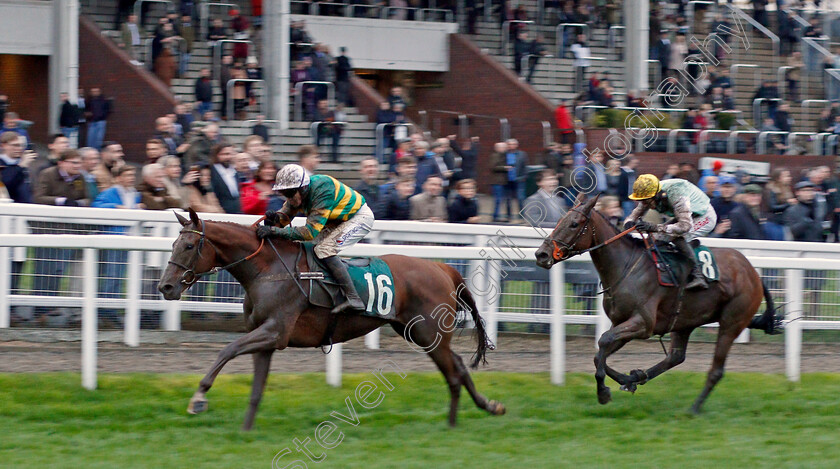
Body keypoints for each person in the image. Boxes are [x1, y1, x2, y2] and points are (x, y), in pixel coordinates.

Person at [257, 164, 375, 314]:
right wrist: (273, 220)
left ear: (303, 188)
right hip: (336, 220)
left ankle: (354, 298)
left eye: (290, 193)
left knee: (324, 249)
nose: (288, 198)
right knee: (308, 248)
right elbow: (284, 219)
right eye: (284, 193)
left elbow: (309, 232)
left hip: (358, 218)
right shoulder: (297, 194)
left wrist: (274, 231)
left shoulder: (322, 189)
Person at [624, 174, 717, 289]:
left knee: (677, 237)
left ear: (656, 195)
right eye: (641, 201)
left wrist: (654, 227)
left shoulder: (676, 193)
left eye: (646, 201)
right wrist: (628, 223)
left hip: (704, 216)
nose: (644, 204)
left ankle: (698, 275)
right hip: (686, 216)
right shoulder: (649, 196)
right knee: (657, 239)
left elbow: (684, 226)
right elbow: (633, 216)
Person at [0, 132, 35, 203]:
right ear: (3, 145)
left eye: (21, 146)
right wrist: (20, 166)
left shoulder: (23, 163)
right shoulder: (2, 163)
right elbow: (6, 183)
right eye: (15, 145)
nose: (19, 149)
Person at [209, 143, 241, 213]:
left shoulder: (234, 172)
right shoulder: (211, 172)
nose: (228, 157)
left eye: (230, 154)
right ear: (217, 155)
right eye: (225, 154)